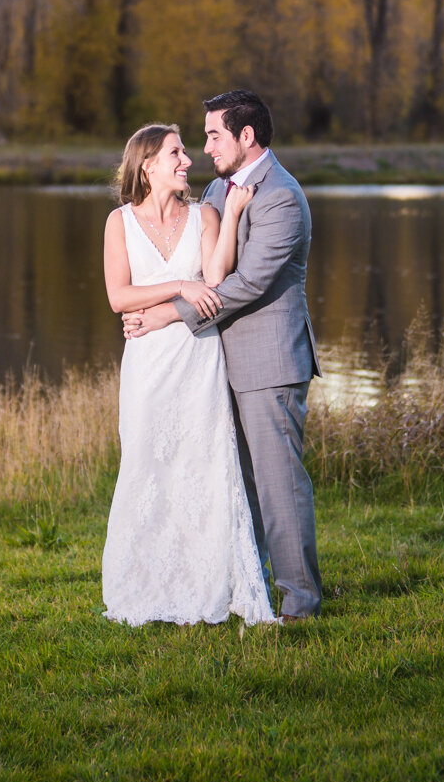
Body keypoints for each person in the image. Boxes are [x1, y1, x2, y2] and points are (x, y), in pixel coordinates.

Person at [123, 90, 322, 624]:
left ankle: (301, 603)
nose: (205, 146)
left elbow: (248, 282)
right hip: (215, 365)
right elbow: (202, 259)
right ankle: (242, 586)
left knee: (279, 486)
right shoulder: (216, 188)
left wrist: (167, 313)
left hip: (269, 363)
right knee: (237, 485)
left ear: (245, 136)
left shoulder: (281, 196)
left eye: (213, 135)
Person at [101, 122, 274, 626]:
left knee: (201, 467)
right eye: (176, 153)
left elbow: (216, 281)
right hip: (147, 364)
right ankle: (145, 584)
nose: (187, 161)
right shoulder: (119, 222)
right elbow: (119, 297)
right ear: (147, 164)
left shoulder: (205, 214)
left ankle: (206, 583)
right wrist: (181, 285)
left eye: (185, 152)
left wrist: (236, 211)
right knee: (146, 464)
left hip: (197, 359)